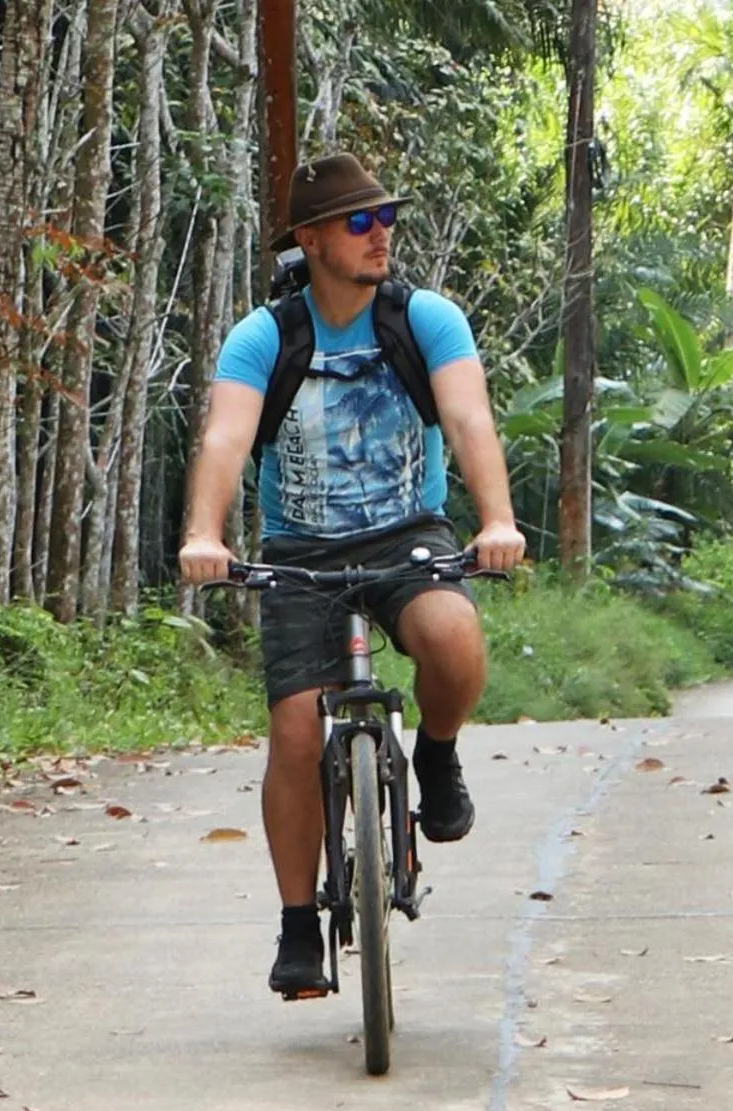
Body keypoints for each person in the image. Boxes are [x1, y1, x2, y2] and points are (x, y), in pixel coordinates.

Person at [177, 152, 526, 996]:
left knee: (454, 639)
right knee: (297, 731)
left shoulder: (425, 320)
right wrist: (204, 534)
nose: (382, 237)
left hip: (409, 535)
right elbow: (226, 438)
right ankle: (300, 926)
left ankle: (436, 757)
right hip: (301, 551)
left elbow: (468, 416)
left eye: (387, 220)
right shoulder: (268, 337)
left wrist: (498, 521)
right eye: (359, 222)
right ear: (310, 239)